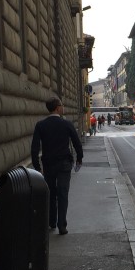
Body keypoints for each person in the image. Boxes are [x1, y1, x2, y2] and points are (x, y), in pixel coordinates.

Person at [30, 97, 83, 235]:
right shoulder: (66, 124)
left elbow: (34, 148)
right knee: (63, 194)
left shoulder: (40, 125)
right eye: (61, 105)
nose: (63, 107)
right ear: (58, 108)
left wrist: (37, 166)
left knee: (51, 193)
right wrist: (79, 159)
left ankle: (51, 221)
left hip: (48, 164)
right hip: (64, 164)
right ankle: (62, 225)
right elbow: (77, 142)